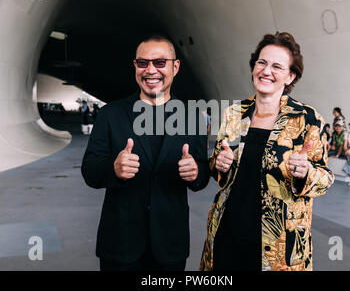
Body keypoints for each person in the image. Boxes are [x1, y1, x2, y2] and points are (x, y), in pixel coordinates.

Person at [200, 32, 334, 271]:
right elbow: (217, 166)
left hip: (279, 245)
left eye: (277, 66)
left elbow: (325, 178)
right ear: (254, 66)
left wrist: (306, 172)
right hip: (227, 233)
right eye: (261, 62)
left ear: (290, 76)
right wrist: (219, 163)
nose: (266, 70)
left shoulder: (308, 118)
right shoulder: (234, 113)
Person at [81, 35, 210, 271]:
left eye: (160, 62)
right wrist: (114, 169)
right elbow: (90, 171)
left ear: (175, 66)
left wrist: (196, 173)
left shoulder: (193, 118)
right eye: (143, 63)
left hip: (169, 245)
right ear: (135, 67)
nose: (151, 70)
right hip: (120, 246)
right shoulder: (111, 114)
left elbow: (201, 176)